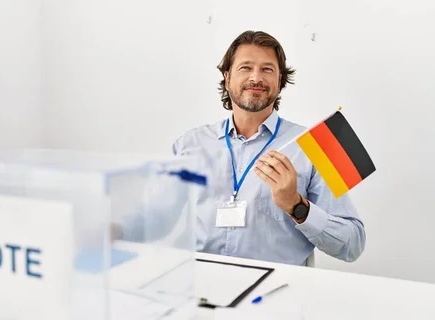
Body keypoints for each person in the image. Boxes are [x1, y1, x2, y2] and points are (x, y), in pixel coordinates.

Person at [118, 30, 365, 266]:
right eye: (245, 67)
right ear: (227, 78)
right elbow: (157, 215)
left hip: (275, 296)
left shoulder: (315, 146)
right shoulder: (189, 145)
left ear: (280, 81)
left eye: (267, 69)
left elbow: (352, 243)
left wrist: (297, 206)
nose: (255, 78)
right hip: (202, 289)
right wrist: (112, 231)